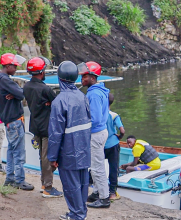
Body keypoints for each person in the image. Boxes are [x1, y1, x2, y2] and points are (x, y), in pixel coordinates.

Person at [48, 61, 91, 220]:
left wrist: (52, 157)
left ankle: (77, 215)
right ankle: (80, 213)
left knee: (71, 186)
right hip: (84, 151)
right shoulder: (82, 96)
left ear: (60, 78)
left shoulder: (59, 101)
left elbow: (55, 133)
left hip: (68, 153)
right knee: (82, 185)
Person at [0, 53, 34, 190]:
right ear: (8, 66)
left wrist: (16, 93)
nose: (15, 69)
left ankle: (10, 178)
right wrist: (17, 93)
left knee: (11, 151)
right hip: (14, 121)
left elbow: (18, 93)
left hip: (9, 121)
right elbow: (22, 94)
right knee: (19, 153)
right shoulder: (6, 80)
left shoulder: (1, 80)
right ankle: (20, 180)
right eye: (14, 66)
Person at [23, 57, 63, 197]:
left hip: (35, 126)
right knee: (48, 157)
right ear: (41, 71)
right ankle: (48, 187)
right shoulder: (45, 89)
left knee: (42, 156)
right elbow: (58, 104)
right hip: (47, 127)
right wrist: (49, 105)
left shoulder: (27, 86)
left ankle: (43, 182)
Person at [79, 61, 110, 208]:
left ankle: (104, 198)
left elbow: (95, 119)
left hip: (95, 134)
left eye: (85, 76)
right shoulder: (99, 90)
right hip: (101, 132)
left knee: (97, 167)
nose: (82, 79)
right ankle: (97, 192)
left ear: (93, 77)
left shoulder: (94, 94)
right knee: (96, 165)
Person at [104, 93, 125, 200]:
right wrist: (120, 137)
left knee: (98, 167)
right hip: (113, 144)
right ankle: (112, 193)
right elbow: (122, 130)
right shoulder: (114, 115)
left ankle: (96, 188)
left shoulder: (99, 114)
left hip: (101, 144)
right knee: (113, 168)